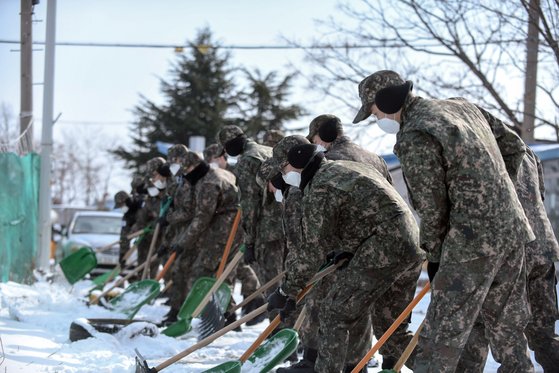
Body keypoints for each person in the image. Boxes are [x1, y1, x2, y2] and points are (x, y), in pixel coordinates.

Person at [353, 70, 535, 372]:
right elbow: (515, 147)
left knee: (441, 338)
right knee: (508, 329)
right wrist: (499, 197)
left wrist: (435, 254)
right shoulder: (463, 107)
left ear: (384, 101)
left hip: (468, 243)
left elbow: (431, 204)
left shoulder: (414, 133)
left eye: (372, 111)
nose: (375, 118)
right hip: (511, 232)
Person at [266, 142, 425, 373]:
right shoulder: (344, 168)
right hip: (410, 245)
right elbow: (368, 211)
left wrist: (286, 291)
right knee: (392, 331)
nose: (283, 175)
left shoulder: (320, 187)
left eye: (284, 168)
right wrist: (348, 247)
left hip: (384, 247)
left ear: (298, 164)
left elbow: (312, 251)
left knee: (334, 313)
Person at [456, 146, 559, 372]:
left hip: (509, 250)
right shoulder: (526, 150)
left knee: (498, 329)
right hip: (541, 246)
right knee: (544, 333)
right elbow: (539, 195)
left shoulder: (474, 152)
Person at [217, 125, 286, 322]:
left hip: (267, 231)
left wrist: (249, 241)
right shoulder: (267, 150)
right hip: (285, 226)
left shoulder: (247, 160)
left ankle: (278, 332)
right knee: (286, 282)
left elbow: (250, 204)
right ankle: (292, 331)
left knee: (272, 285)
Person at [203, 142, 266, 325]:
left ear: (222, 157)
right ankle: (250, 301)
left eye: (213, 159)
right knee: (236, 267)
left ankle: (241, 306)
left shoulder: (235, 172)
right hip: (227, 227)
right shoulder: (218, 175)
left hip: (237, 226)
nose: (211, 163)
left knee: (231, 267)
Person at [306, 114, 392, 183]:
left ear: (324, 134)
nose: (315, 145)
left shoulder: (328, 161)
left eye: (315, 141)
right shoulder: (377, 159)